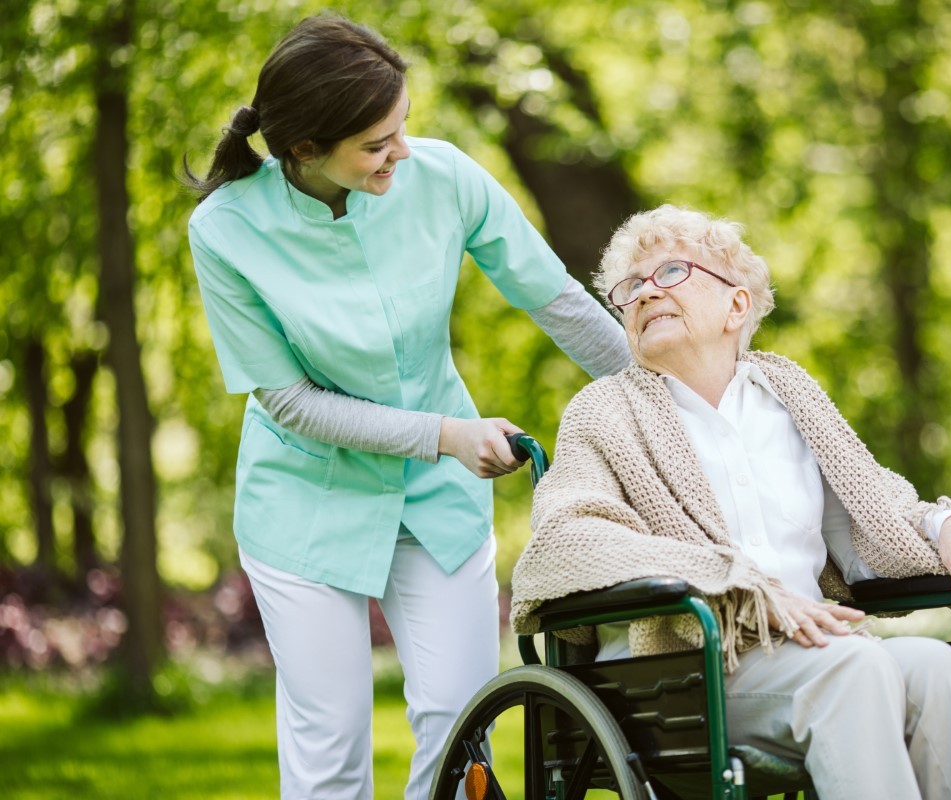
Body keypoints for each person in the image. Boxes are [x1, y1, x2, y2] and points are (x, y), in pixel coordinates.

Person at [184, 15, 630, 800]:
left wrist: (668, 389)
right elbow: (289, 402)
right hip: (305, 502)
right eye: (376, 144)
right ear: (305, 150)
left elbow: (555, 298)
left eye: (403, 129)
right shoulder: (225, 231)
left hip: (436, 496)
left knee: (462, 732)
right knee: (332, 749)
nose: (403, 154)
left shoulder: (444, 178)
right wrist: (445, 436)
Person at [511, 205, 951, 800]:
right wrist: (730, 580)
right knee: (856, 671)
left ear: (737, 306)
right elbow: (565, 540)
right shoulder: (604, 411)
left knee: (938, 671)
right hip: (684, 672)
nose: (646, 294)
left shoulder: (789, 395)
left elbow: (876, 512)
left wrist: (950, 523)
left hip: (812, 655)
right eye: (630, 288)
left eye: (671, 273)